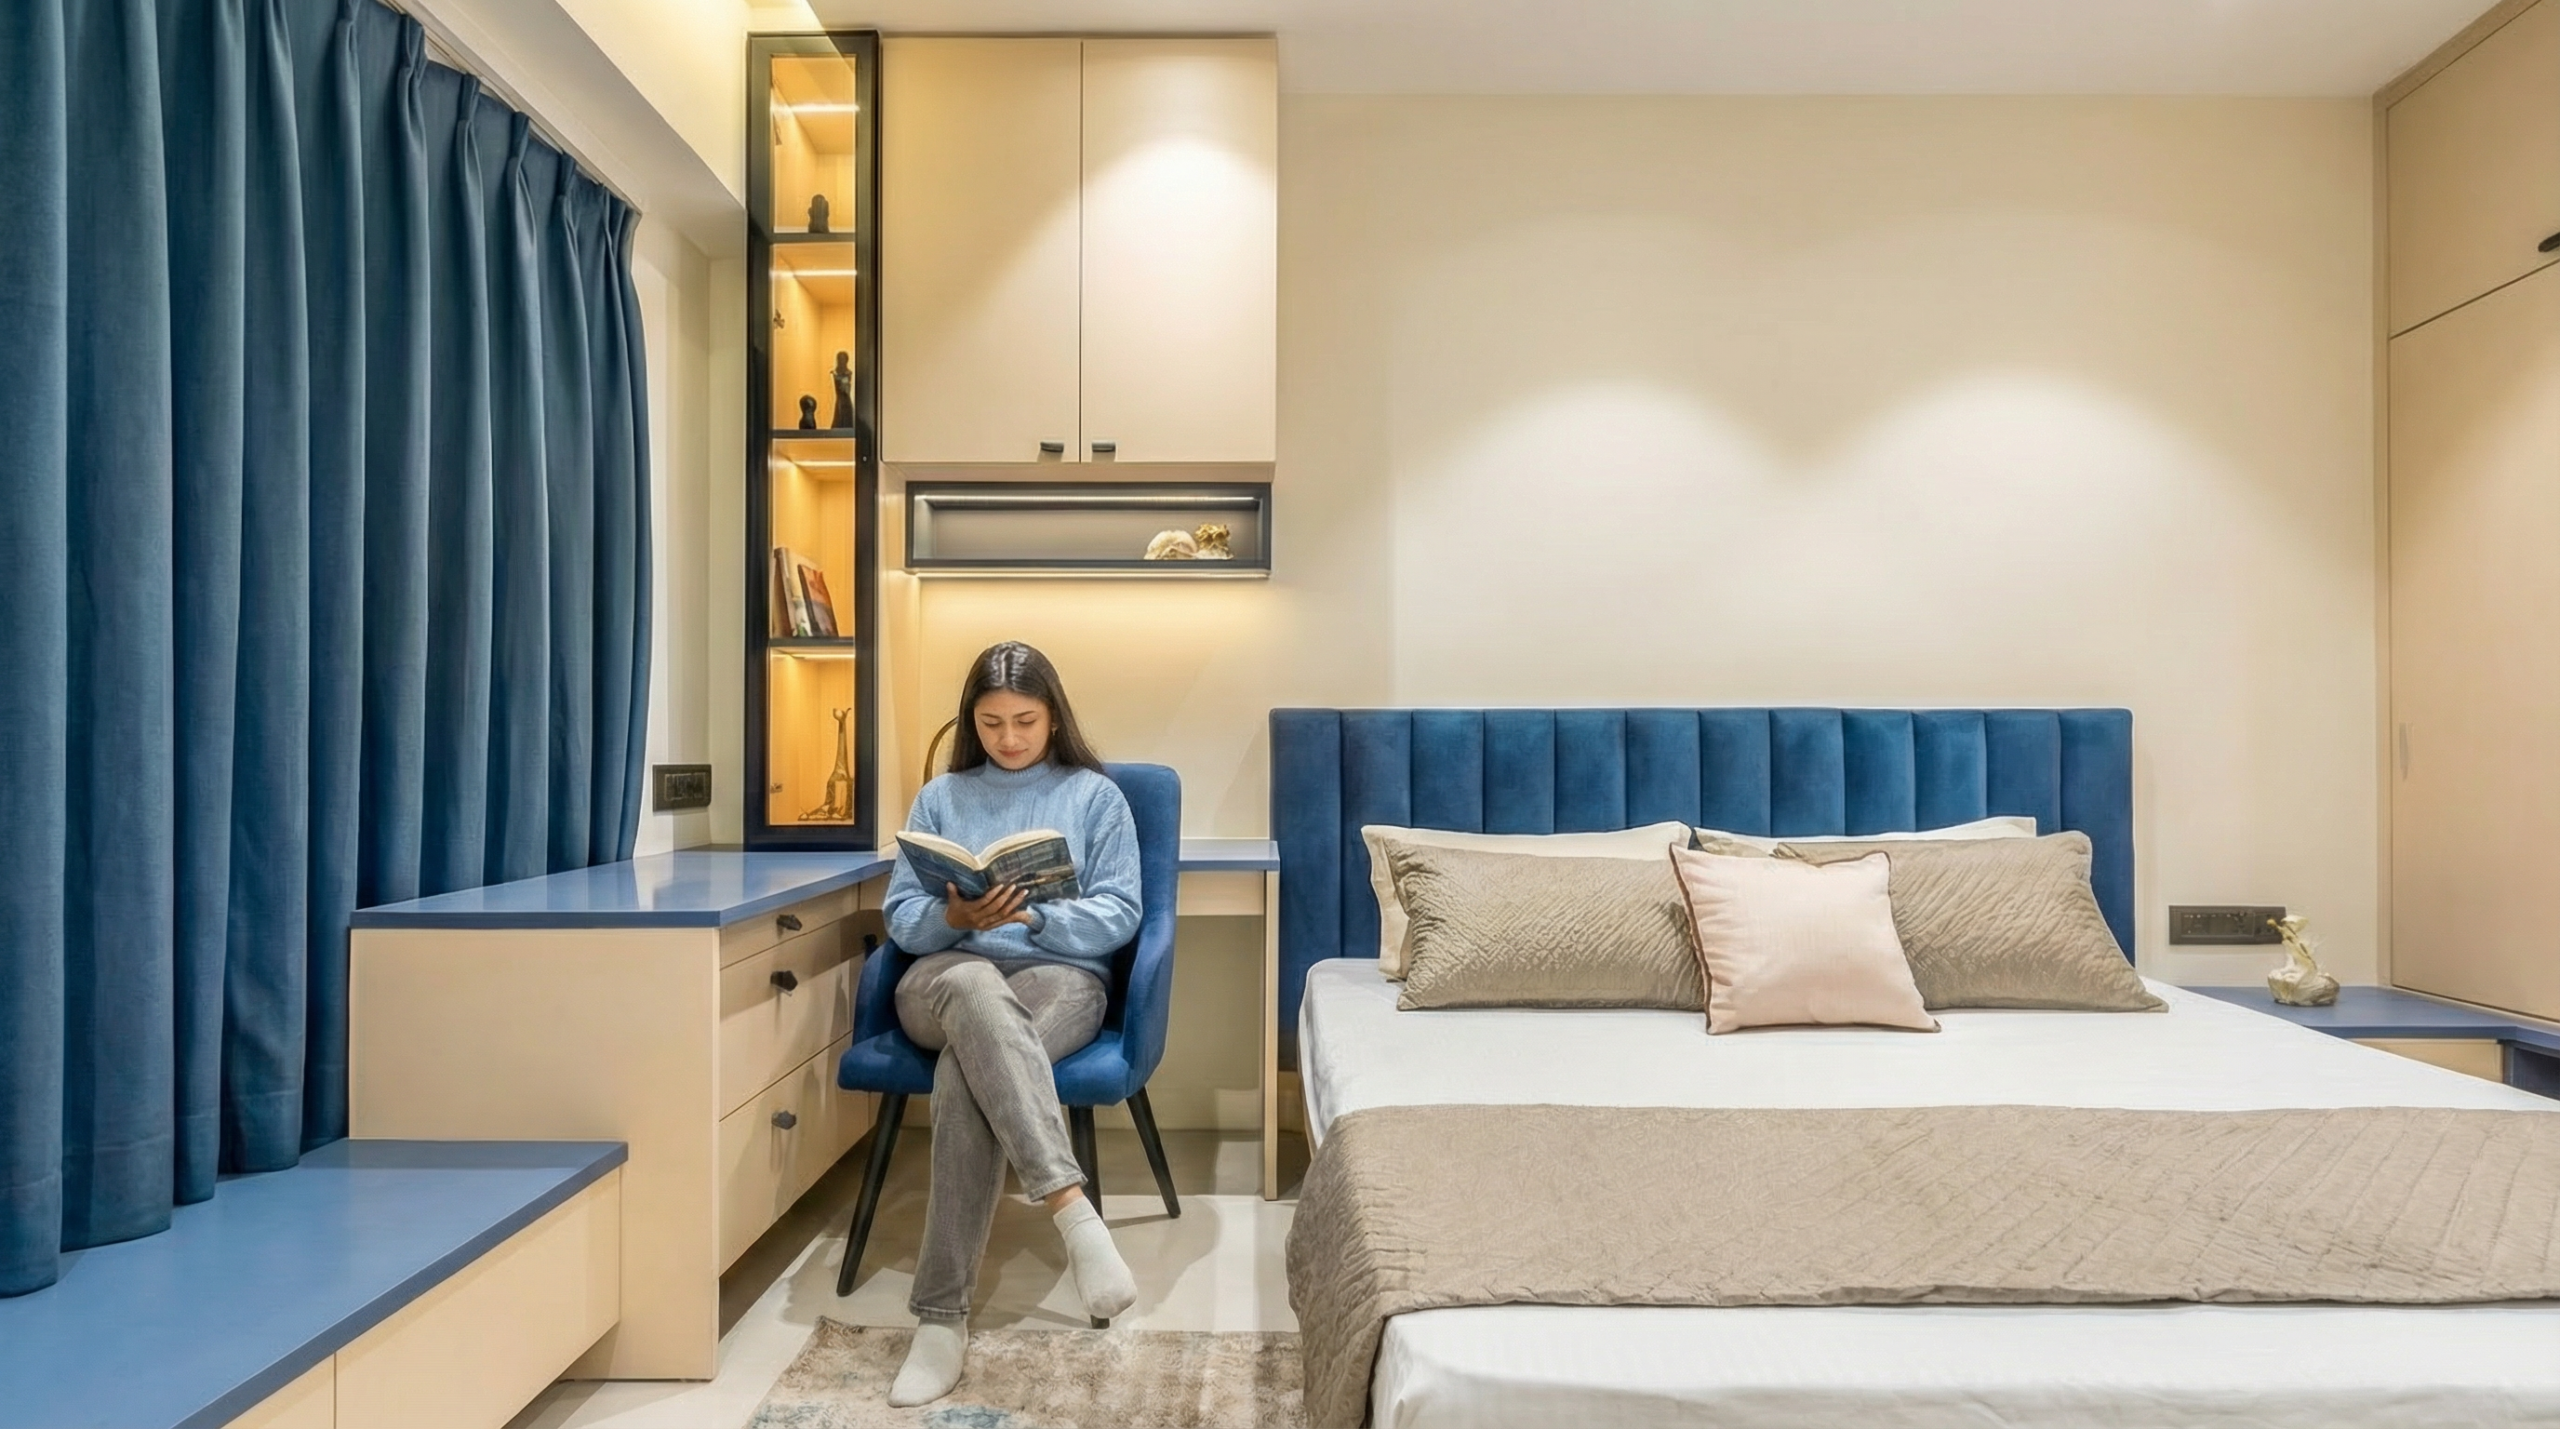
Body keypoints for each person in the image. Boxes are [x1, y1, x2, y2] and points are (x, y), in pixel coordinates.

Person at [877, 641, 1143, 1406]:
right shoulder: (942, 796)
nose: (1010, 738)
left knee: (971, 1065)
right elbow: (900, 914)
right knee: (970, 986)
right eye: (991, 723)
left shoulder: (1095, 796)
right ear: (973, 722)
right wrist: (951, 914)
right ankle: (1072, 1209)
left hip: (1058, 979)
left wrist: (1032, 916)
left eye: (1025, 720)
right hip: (945, 977)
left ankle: (941, 1320)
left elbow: (1122, 912)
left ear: (1053, 715)